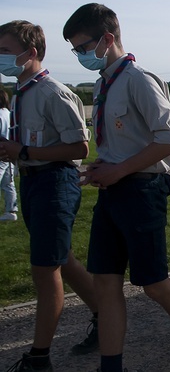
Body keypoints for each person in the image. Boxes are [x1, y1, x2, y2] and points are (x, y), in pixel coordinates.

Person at [63, 4, 170, 372]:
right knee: (105, 281)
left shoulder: (138, 79)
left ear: (107, 38)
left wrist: (119, 171)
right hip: (113, 191)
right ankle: (111, 365)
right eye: (74, 49)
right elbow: (124, 142)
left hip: (142, 191)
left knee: (153, 283)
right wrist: (103, 166)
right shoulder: (103, 82)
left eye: (83, 46)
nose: (80, 55)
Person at [0, 20, 99, 371]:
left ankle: (39, 357)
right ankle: (104, 316)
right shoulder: (22, 92)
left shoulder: (54, 92)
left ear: (33, 52)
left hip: (55, 182)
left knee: (45, 270)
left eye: (6, 52)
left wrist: (22, 150)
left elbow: (79, 148)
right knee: (62, 259)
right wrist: (15, 152)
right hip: (33, 181)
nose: (1, 58)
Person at [0, 89, 18, 222]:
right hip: (10, 151)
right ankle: (11, 210)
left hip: (1, 152)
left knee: (7, 182)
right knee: (8, 183)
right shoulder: (8, 113)